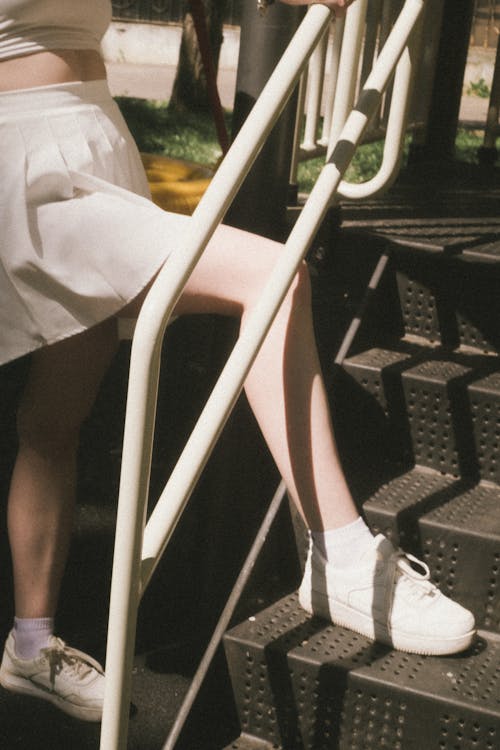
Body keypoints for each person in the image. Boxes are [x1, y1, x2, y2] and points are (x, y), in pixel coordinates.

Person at [0, 0, 475, 725]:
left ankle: (30, 648)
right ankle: (339, 555)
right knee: (272, 277)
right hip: (24, 162)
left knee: (53, 420)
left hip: (92, 140)